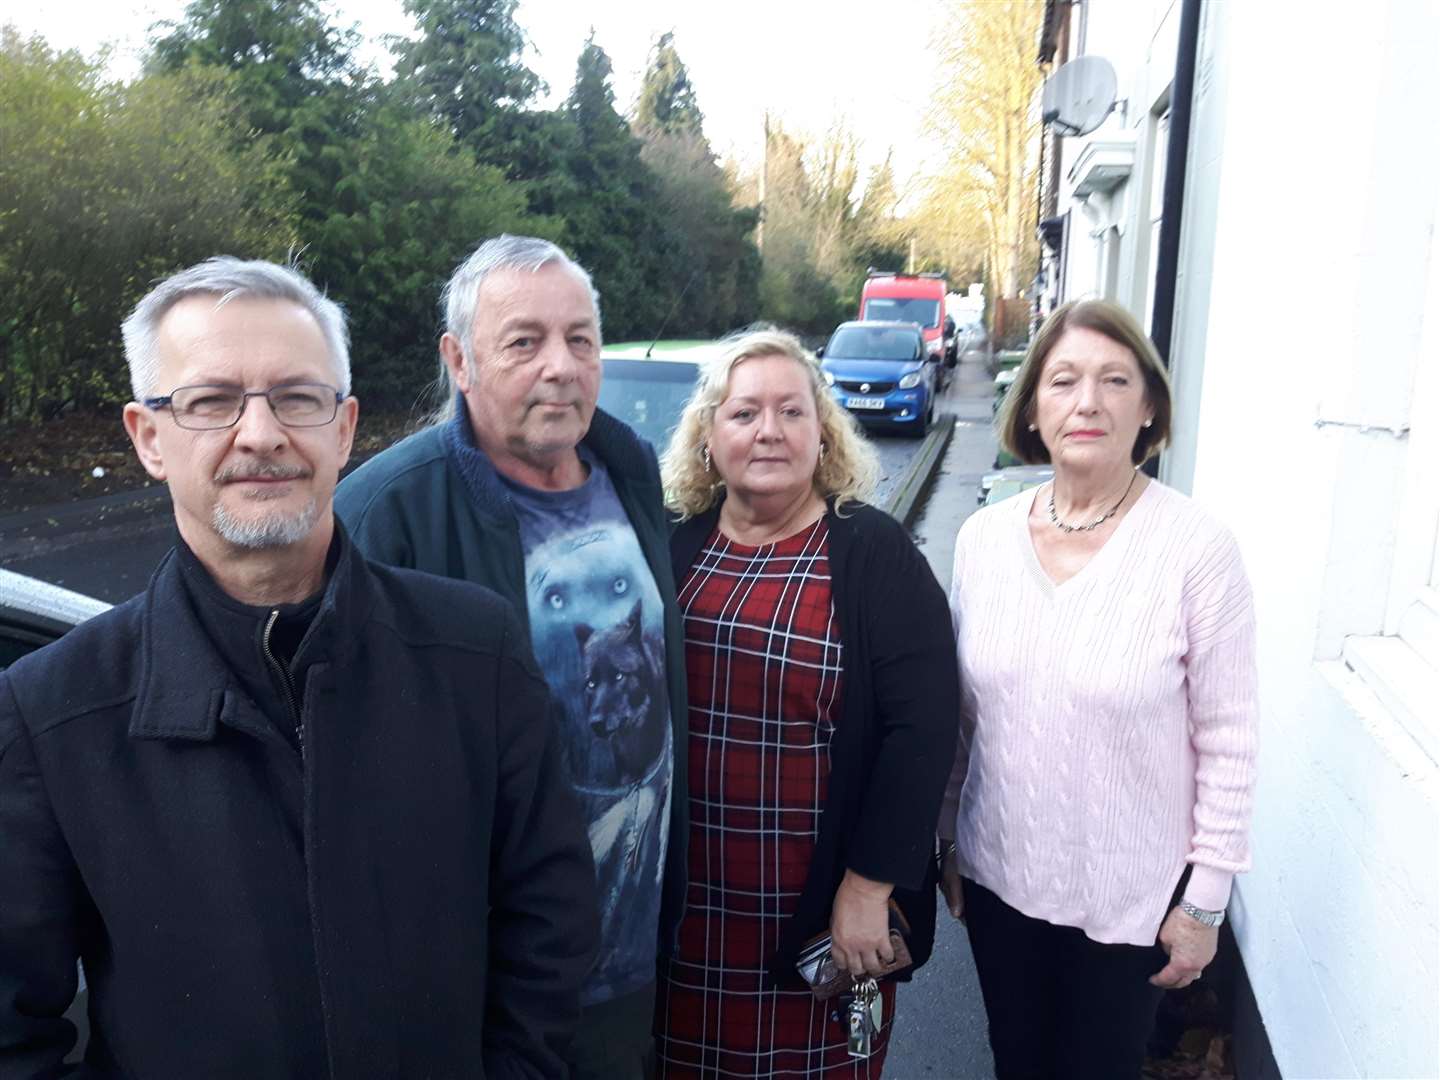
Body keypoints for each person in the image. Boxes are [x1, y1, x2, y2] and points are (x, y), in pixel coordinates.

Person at [0, 257, 599, 1079]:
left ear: (345, 427)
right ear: (148, 438)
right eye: (211, 401)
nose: (260, 434)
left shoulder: (476, 654)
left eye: (297, 397)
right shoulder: (53, 714)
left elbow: (550, 927)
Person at [335, 234, 688, 1079]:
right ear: (460, 360)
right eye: (524, 342)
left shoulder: (630, 467)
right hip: (488, 987)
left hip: (633, 960)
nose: (561, 367)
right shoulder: (385, 511)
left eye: (580, 338)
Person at [939, 299, 1259, 1080]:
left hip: (1132, 902)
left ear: (1148, 407)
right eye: (1065, 380)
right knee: (1016, 1061)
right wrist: (947, 835)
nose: (1088, 402)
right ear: (1035, 408)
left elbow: (1230, 738)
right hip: (1000, 878)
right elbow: (963, 714)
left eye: (1115, 380)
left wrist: (1205, 902)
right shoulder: (984, 540)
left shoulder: (1196, 550)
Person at [655, 328, 959, 1078]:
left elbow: (923, 728)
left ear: (822, 434)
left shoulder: (871, 554)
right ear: (707, 438)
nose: (769, 430)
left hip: (819, 908)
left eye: (792, 412)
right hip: (689, 913)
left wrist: (869, 885)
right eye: (744, 412)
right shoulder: (672, 550)